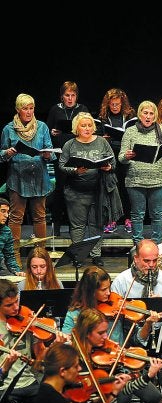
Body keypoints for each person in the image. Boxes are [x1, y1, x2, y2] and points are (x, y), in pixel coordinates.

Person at [73, 307, 162, 403]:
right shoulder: (75, 364)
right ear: (87, 333)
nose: (106, 337)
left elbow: (125, 390)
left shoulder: (104, 359)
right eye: (101, 333)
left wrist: (148, 376)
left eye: (106, 331)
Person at [0, 279, 66, 403]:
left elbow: (39, 361)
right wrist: (6, 365)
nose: (16, 308)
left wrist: (53, 347)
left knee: (59, 401)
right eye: (9, 305)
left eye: (17, 302)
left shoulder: (27, 319)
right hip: (6, 387)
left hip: (30, 382)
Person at [59, 111, 122, 267]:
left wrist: (108, 167)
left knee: (96, 224)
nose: (87, 128)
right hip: (75, 192)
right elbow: (61, 165)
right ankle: (78, 256)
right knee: (78, 226)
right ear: (77, 128)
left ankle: (96, 254)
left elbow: (113, 163)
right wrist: (75, 170)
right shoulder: (70, 144)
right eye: (83, 125)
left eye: (89, 125)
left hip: (98, 191)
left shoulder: (102, 142)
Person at [0, 93, 56, 268]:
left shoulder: (42, 127)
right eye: (25, 108)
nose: (29, 112)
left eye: (31, 108)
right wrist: (8, 152)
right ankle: (14, 257)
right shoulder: (9, 129)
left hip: (39, 177)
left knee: (40, 216)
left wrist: (47, 154)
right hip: (17, 178)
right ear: (18, 109)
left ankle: (41, 256)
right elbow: (1, 154)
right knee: (16, 217)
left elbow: (51, 152)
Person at [119, 101, 162, 244]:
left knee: (157, 214)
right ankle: (138, 245)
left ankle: (157, 245)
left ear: (155, 116)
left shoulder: (161, 131)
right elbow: (121, 158)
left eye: (151, 113)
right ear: (140, 114)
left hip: (158, 180)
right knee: (137, 215)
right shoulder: (130, 131)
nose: (148, 116)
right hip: (135, 180)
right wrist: (127, 156)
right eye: (145, 113)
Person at [46, 81, 90, 236]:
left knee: (76, 191)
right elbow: (48, 130)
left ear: (76, 96)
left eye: (73, 95)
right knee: (60, 190)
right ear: (62, 96)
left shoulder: (82, 109)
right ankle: (56, 225)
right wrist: (52, 132)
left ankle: (75, 227)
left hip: (77, 155)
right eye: (67, 95)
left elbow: (88, 129)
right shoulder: (55, 109)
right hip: (60, 155)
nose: (70, 99)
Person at [111, 239, 162, 326]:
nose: (151, 265)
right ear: (136, 258)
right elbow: (113, 313)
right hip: (130, 330)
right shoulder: (121, 281)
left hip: (160, 329)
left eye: (155, 260)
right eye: (146, 261)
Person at [97, 88, 137, 234]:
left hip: (126, 155)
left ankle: (128, 219)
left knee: (127, 188)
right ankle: (112, 220)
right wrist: (103, 138)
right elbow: (97, 135)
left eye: (117, 104)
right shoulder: (103, 117)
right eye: (112, 104)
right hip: (110, 154)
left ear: (122, 103)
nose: (114, 107)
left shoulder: (130, 116)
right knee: (112, 188)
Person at [0, 197, 24, 276]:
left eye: (7, 212)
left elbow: (9, 256)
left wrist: (16, 271)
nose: (6, 215)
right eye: (3, 211)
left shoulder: (6, 231)